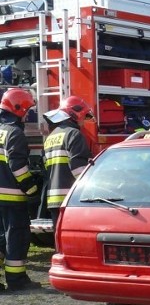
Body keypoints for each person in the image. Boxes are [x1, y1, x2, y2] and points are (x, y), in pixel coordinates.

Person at [0, 88, 41, 291]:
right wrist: (32, 190)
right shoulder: (14, 133)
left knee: (1, 238)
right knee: (16, 238)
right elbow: (18, 168)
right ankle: (17, 281)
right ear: (18, 108)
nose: (27, 114)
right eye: (26, 110)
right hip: (12, 198)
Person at [43, 96, 94, 227]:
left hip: (53, 199)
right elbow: (79, 169)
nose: (84, 120)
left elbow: (46, 166)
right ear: (75, 113)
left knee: (59, 241)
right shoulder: (74, 134)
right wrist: (91, 190)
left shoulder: (51, 137)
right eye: (84, 116)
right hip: (71, 199)